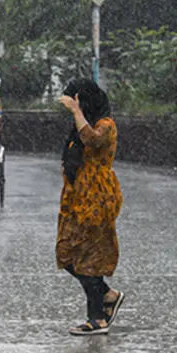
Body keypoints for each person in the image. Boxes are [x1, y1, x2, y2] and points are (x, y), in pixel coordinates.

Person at [57, 79, 125, 336]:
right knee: (68, 253)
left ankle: (97, 318)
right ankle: (107, 294)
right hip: (77, 195)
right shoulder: (80, 127)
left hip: (96, 195)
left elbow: (93, 140)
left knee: (89, 255)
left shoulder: (105, 125)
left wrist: (77, 112)